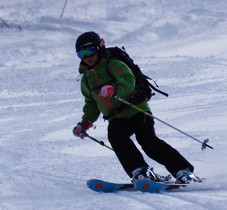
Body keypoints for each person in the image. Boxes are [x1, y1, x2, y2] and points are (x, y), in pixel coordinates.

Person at [72, 31, 198, 184]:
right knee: (116, 137)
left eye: (89, 51)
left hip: (136, 109)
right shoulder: (86, 80)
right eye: (81, 54)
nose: (87, 57)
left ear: (99, 48)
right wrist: (85, 123)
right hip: (116, 117)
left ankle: (183, 170)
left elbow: (128, 80)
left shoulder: (114, 64)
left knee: (148, 141)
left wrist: (115, 89)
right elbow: (91, 104)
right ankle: (140, 170)